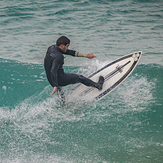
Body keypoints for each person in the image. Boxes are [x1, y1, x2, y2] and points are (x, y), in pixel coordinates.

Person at [44, 36, 104, 102]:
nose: (67, 48)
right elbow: (53, 70)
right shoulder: (59, 56)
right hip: (58, 80)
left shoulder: (51, 48)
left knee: (59, 85)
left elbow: (70, 52)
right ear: (62, 45)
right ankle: (98, 86)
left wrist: (86, 55)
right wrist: (55, 85)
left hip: (50, 79)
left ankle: (62, 101)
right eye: (67, 46)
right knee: (80, 78)